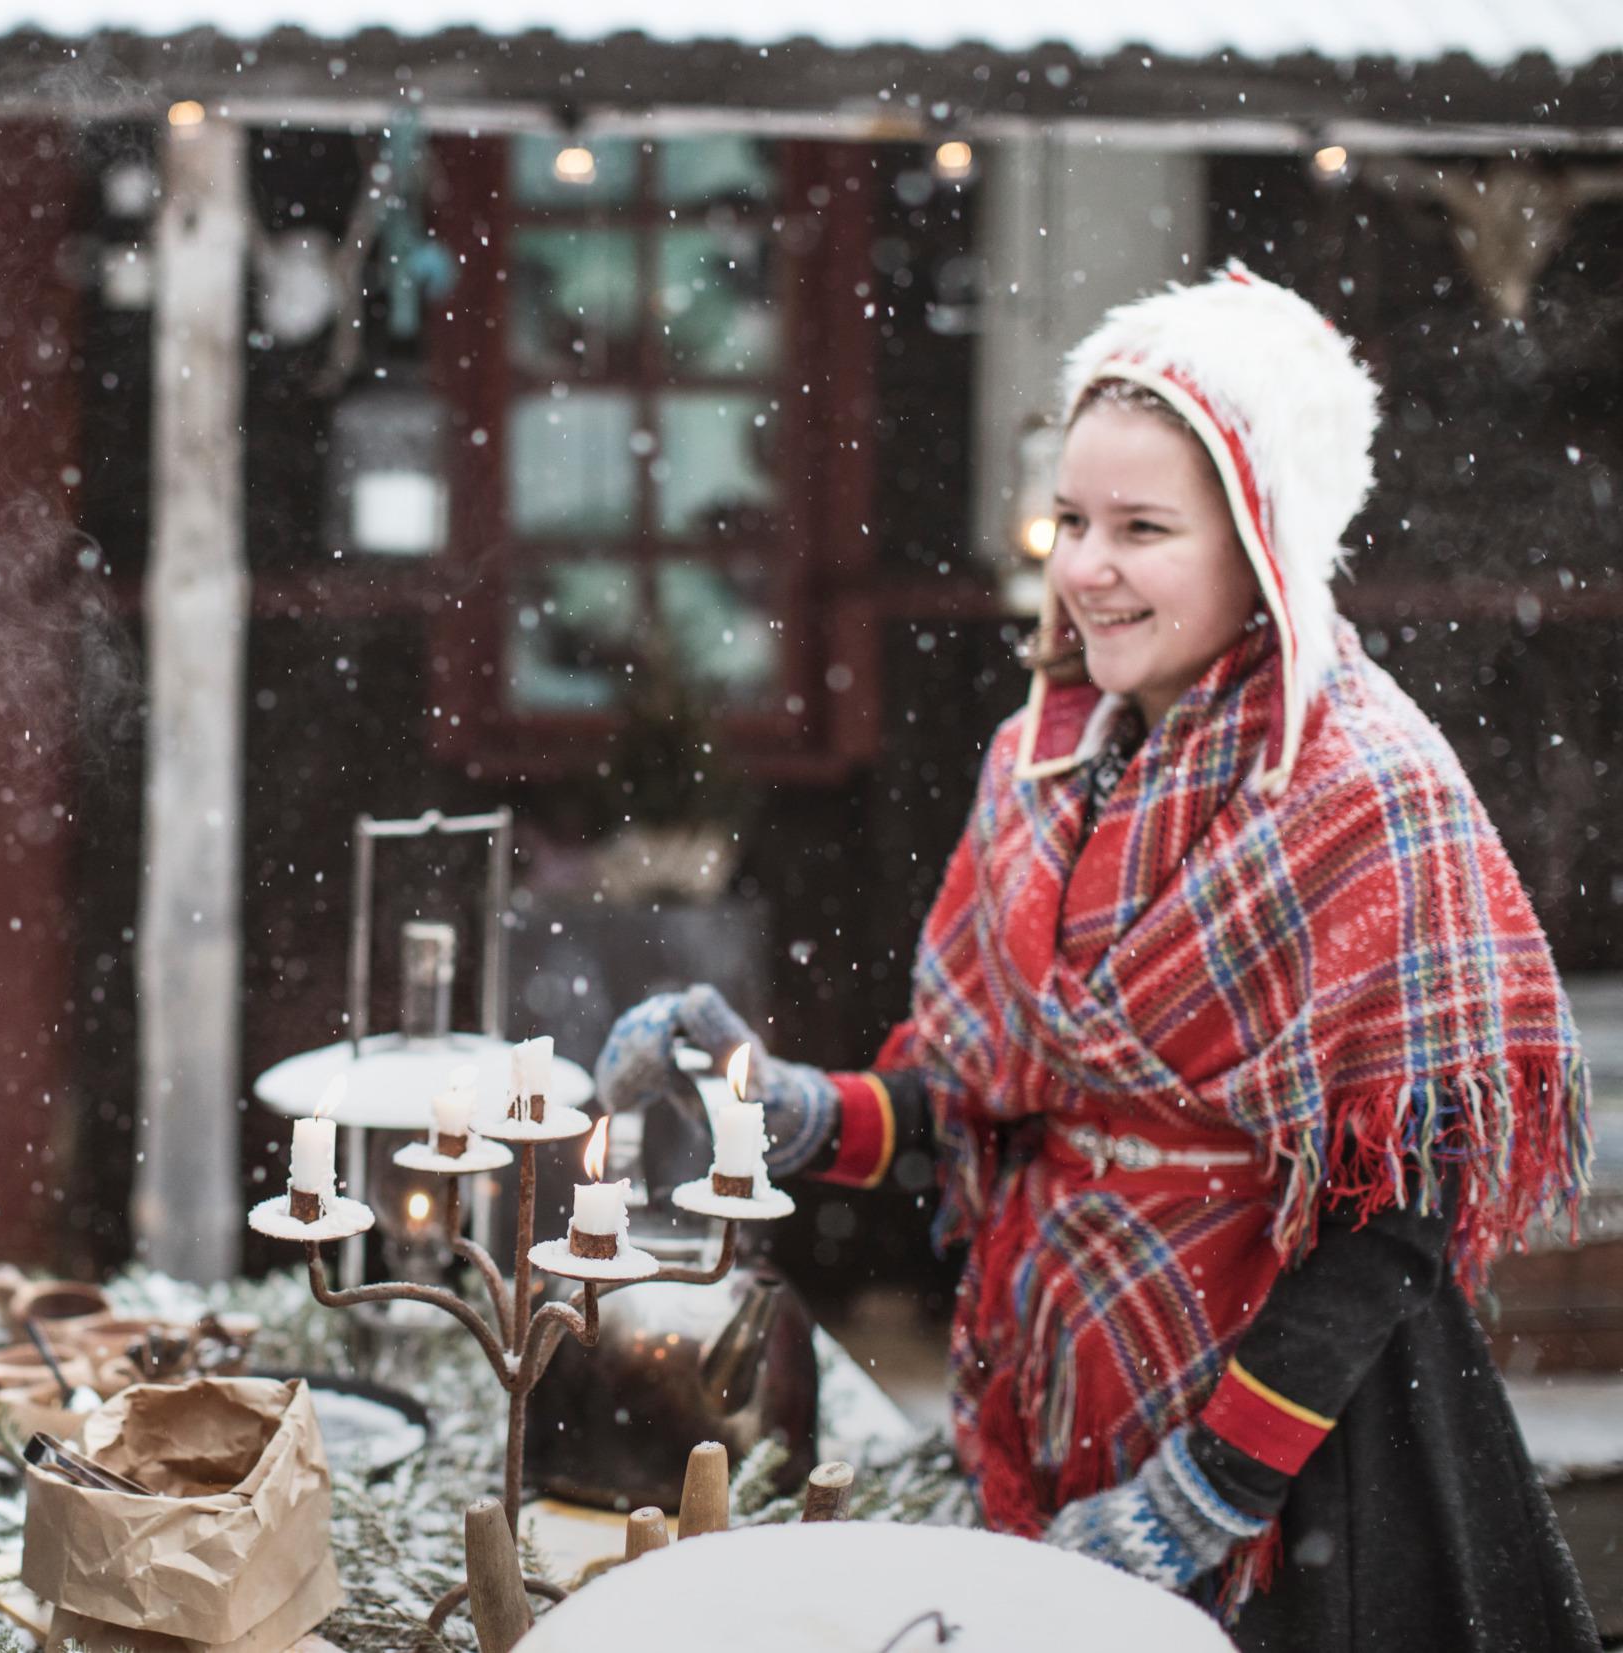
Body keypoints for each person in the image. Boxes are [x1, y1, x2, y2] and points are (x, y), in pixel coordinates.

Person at [598, 267, 1597, 1650]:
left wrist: (1211, 1486)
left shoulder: (1368, 788)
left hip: (1313, 1481)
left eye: (1143, 528)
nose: (1085, 567)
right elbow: (992, 1098)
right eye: (1072, 519)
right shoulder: (1040, 762)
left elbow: (1396, 1219)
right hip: (1060, 1401)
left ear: (1262, 543)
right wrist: (785, 1107)